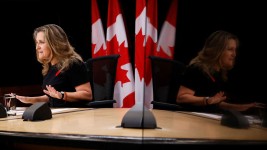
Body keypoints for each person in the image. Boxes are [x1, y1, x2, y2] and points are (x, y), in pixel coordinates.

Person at [176, 30, 264, 113]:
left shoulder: (219, 73)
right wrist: (208, 100)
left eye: (235, 50)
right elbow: (181, 97)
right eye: (230, 49)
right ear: (217, 50)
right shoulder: (197, 69)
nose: (234, 54)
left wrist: (243, 107)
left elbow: (216, 102)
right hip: (190, 119)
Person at [12, 24, 93, 108]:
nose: (37, 47)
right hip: (58, 116)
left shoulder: (73, 63)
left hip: (75, 116)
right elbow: (51, 97)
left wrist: (62, 95)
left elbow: (87, 94)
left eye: (41, 42)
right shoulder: (49, 68)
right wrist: (28, 100)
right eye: (36, 43)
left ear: (55, 43)